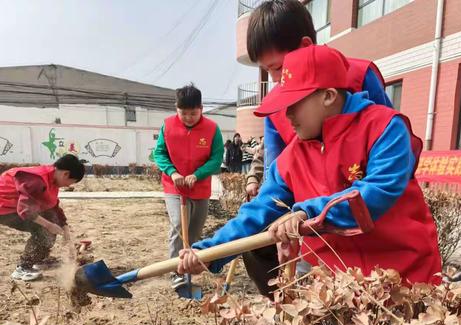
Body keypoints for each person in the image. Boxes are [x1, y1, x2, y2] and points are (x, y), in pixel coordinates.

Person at [177, 45, 441, 297]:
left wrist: (307, 212)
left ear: (328, 95)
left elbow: (376, 193)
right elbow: (258, 211)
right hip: (334, 285)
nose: (287, 114)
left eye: (294, 103)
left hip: (403, 276)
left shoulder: (385, 128)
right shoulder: (294, 155)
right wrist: (208, 251)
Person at [246, 0, 393, 181]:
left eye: (278, 68)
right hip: (309, 205)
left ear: (306, 46)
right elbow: (276, 175)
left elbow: (390, 146)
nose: (275, 80)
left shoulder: (359, 77)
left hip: (367, 199)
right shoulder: (274, 108)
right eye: (266, 70)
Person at [153, 83, 223, 289]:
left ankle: (190, 266)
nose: (188, 117)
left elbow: (216, 157)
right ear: (177, 108)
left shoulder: (211, 128)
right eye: (184, 113)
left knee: (194, 231)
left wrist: (198, 174)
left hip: (200, 188)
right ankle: (176, 271)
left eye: (193, 113)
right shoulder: (167, 126)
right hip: (174, 186)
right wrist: (172, 172)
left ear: (201, 108)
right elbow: (159, 153)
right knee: (177, 226)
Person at [0, 154, 84, 281]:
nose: (68, 186)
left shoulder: (51, 180)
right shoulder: (37, 180)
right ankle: (23, 268)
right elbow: (25, 210)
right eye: (70, 182)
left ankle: (37, 259)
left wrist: (65, 227)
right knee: (46, 231)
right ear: (65, 174)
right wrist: (49, 225)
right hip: (4, 208)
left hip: (16, 206)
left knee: (51, 223)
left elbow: (54, 206)